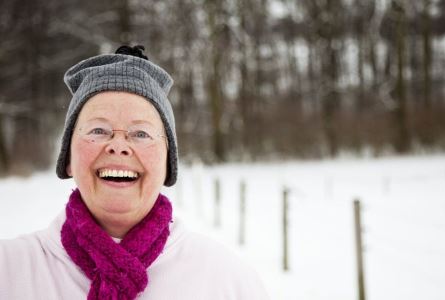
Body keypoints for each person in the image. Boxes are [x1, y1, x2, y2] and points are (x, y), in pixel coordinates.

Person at [0, 45, 269, 300]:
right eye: (98, 130)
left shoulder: (228, 281)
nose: (118, 146)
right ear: (68, 158)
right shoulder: (10, 272)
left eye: (141, 133)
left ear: (168, 164)